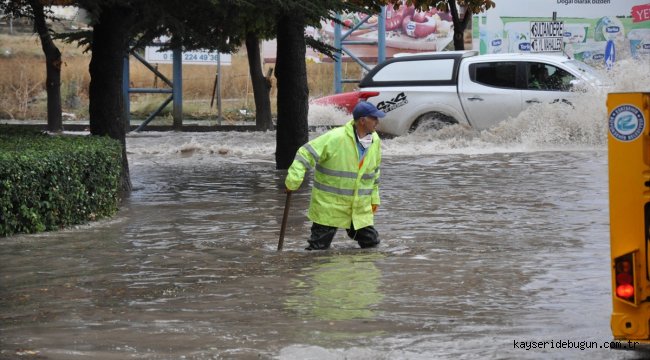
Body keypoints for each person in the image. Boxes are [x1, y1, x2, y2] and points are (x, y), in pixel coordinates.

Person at [285, 101, 385, 250]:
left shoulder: (375, 141)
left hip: (357, 208)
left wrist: (374, 199)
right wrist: (293, 180)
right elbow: (305, 153)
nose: (377, 121)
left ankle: (361, 271)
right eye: (374, 118)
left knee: (372, 244)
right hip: (329, 207)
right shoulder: (335, 137)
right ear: (363, 121)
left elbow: (374, 173)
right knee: (317, 249)